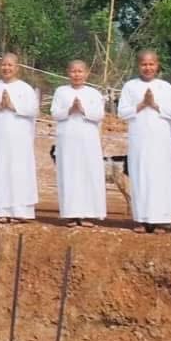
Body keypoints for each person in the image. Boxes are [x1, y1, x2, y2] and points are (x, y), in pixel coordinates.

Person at [117, 50, 171, 232]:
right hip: (139, 140)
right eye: (144, 64)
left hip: (161, 141)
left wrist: (154, 105)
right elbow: (122, 112)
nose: (148, 68)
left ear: (157, 65)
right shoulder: (130, 86)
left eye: (151, 64)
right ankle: (142, 219)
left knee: (161, 178)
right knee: (140, 176)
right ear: (139, 66)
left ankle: (161, 220)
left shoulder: (165, 87)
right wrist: (141, 105)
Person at [0, 53, 39, 223]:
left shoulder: (25, 88)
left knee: (20, 173)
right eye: (4, 65)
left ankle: (21, 211)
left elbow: (33, 110)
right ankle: (0, 210)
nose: (6, 68)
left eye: (10, 65)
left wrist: (12, 106)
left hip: (20, 141)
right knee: (0, 171)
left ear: (17, 68)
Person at [50, 59, 108, 225]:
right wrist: (69, 110)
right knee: (69, 174)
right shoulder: (61, 91)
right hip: (67, 139)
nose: (77, 75)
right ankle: (71, 214)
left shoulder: (94, 93)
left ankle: (88, 213)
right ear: (68, 73)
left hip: (88, 140)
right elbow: (54, 113)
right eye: (73, 71)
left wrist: (82, 109)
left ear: (87, 73)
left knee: (88, 173)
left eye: (80, 71)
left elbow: (99, 115)